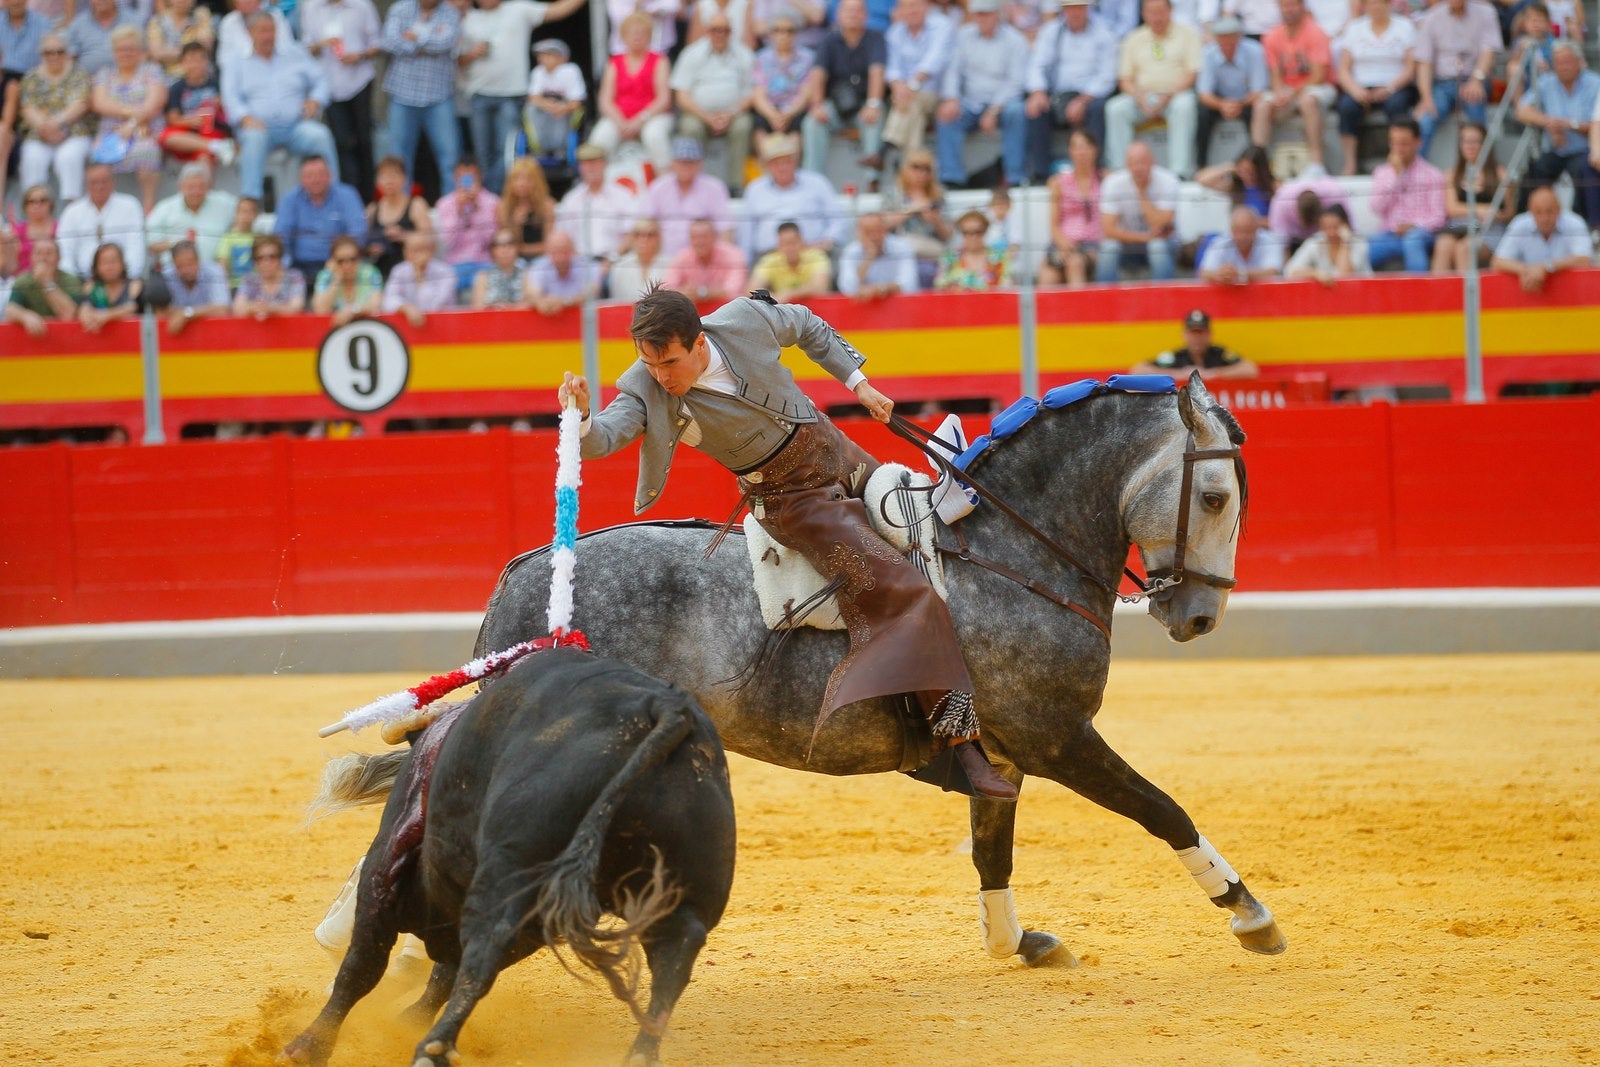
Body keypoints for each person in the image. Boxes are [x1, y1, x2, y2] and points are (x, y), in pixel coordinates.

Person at [556, 286, 1019, 800]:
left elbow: (807, 325)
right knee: (905, 591)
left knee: (928, 527)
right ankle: (958, 746)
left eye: (669, 361)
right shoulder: (645, 388)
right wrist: (580, 419)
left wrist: (859, 384)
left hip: (838, 451)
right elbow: (607, 436)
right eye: (649, 362)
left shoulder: (744, 320)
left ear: (699, 341)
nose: (661, 375)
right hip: (793, 502)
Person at [456, 0, 584, 193]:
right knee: (482, 154)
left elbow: (559, 9)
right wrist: (473, 53)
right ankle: (491, 201)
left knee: (506, 153)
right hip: (479, 96)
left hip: (510, 96)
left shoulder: (519, 10)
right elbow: (455, 61)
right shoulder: (466, 18)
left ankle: (496, 197)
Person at [222, 13, 339, 202]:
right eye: (263, 31)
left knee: (320, 136)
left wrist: (315, 100)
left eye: (271, 30)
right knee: (253, 141)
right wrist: (244, 117)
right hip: (259, 128)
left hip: (296, 126)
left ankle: (333, 198)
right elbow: (230, 97)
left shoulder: (295, 53)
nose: (268, 36)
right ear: (250, 33)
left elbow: (321, 81)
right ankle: (251, 204)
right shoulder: (235, 60)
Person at [933, 0, 1027, 189]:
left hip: (1003, 104)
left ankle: (1015, 177)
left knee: (1017, 112)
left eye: (986, 13)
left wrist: (994, 110)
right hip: (971, 103)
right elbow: (953, 72)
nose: (982, 18)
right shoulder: (963, 36)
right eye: (978, 14)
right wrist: (951, 98)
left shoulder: (1015, 40)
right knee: (946, 116)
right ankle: (952, 178)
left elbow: (1016, 82)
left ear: (997, 14)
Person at [1104, 0, 1202, 179]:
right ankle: (1120, 171)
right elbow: (1124, 79)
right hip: (1141, 97)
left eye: (1161, 12)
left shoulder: (1188, 34)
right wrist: (1139, 97)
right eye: (1152, 12)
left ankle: (1180, 171)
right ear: (1143, 14)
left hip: (1175, 95)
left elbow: (1192, 73)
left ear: (1171, 10)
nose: (1157, 17)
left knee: (1185, 106)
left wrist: (1169, 95)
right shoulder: (1133, 38)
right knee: (1115, 108)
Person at [1023, 0, 1116, 183]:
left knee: (1099, 108)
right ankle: (1042, 174)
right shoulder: (1051, 32)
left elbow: (1107, 76)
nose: (1075, 13)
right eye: (1070, 8)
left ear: (1087, 8)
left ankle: (1094, 169)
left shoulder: (1103, 32)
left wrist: (1083, 100)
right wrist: (1038, 92)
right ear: (1063, 10)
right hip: (1058, 95)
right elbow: (1037, 65)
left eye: (1079, 8)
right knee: (1034, 108)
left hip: (1090, 96)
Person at [300, 0, 381, 203]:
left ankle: (369, 199)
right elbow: (306, 47)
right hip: (329, 85)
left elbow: (378, 44)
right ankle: (350, 199)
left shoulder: (362, 5)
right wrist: (321, 44)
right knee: (342, 144)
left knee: (364, 140)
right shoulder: (311, 7)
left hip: (359, 80)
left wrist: (359, 55)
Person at [1515, 43, 1600, 232]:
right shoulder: (1547, 82)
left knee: (1585, 171)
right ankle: (1523, 222)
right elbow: (1522, 111)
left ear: (1579, 62)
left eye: (1568, 61)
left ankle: (1587, 227)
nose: (1564, 66)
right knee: (1534, 171)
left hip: (1584, 149)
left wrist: (1569, 125)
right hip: (1556, 149)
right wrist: (1549, 122)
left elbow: (1597, 123)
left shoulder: (1595, 83)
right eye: (1559, 62)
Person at [380, 0, 461, 195]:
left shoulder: (451, 13)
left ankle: (452, 214)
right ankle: (400, 212)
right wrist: (428, 40)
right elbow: (388, 41)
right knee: (398, 158)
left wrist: (413, 38)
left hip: (439, 95)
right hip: (402, 94)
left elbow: (446, 42)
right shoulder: (400, 9)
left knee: (450, 158)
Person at [671, 10, 756, 192]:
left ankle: (735, 185)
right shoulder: (691, 53)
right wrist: (707, 117)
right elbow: (682, 95)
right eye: (715, 30)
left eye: (724, 30)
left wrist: (730, 114)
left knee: (744, 125)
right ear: (707, 31)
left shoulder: (743, 54)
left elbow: (752, 93)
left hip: (733, 114)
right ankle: (695, 183)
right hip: (699, 114)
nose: (720, 34)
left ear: (731, 32)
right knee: (689, 127)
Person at [800, 0, 886, 176]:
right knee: (812, 123)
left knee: (874, 119)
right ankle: (814, 180)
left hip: (864, 105)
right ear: (838, 15)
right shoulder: (828, 40)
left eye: (857, 11)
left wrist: (873, 104)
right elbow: (818, 74)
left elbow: (877, 72)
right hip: (836, 105)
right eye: (848, 11)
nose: (853, 15)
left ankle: (872, 180)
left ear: (866, 15)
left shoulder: (876, 38)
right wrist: (817, 105)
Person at [1333, 0, 1417, 177]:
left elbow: (1411, 67)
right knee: (1346, 107)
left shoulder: (1404, 26)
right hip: (1362, 86)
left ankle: (1395, 157)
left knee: (1397, 106)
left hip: (1395, 86)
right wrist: (1355, 90)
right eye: (1371, 3)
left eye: (1380, 3)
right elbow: (1343, 69)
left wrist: (1389, 88)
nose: (1376, 7)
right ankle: (1350, 161)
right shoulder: (1355, 28)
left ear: (1389, 5)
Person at [90, 27, 166, 212]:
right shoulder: (105, 74)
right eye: (121, 49)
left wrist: (131, 124)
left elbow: (155, 102)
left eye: (131, 49)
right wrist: (131, 113)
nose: (126, 53)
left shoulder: (151, 70)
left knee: (147, 151)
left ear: (140, 51)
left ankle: (148, 210)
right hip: (111, 132)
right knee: (99, 157)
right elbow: (99, 103)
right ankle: (105, 210)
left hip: (144, 130)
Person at [1412, 0, 1501, 157]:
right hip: (1442, 84)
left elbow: (1488, 51)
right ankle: (1416, 172)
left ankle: (1484, 170)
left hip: (1474, 80)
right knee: (1424, 121)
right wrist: (1426, 97)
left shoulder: (1486, 12)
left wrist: (1476, 80)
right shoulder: (1432, 16)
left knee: (1477, 123)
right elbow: (1424, 62)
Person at [589, 11, 674, 172]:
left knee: (654, 136)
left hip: (652, 116)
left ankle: (665, 180)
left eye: (641, 33)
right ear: (623, 36)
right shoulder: (614, 62)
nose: (637, 37)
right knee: (600, 139)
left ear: (649, 36)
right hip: (620, 118)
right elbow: (605, 101)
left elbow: (664, 99)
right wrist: (621, 122)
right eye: (632, 33)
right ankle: (600, 183)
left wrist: (639, 121)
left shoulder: (660, 61)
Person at [1258, 0, 1334, 174]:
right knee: (1262, 104)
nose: (1288, 10)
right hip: (1288, 90)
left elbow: (1318, 76)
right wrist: (1278, 93)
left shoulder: (1316, 33)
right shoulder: (1271, 36)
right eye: (1284, 6)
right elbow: (1275, 75)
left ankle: (1316, 163)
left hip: (1317, 87)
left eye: (1292, 5)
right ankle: (1259, 163)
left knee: (1308, 100)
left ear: (1302, 7)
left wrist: (1291, 94)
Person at [738, 132, 837, 261]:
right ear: (766, 165)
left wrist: (826, 242)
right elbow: (746, 234)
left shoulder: (817, 183)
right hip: (769, 259)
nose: (782, 167)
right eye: (776, 163)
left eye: (787, 161)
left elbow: (838, 221)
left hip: (812, 255)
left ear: (796, 161)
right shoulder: (755, 189)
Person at [17, 33, 93, 201]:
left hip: (74, 133)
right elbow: (27, 107)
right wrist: (45, 127)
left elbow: (81, 103)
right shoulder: (31, 77)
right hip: (39, 133)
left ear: (66, 53)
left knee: (68, 157)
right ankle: (35, 207)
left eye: (59, 51)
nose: (55, 56)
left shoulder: (78, 74)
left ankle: (71, 206)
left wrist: (57, 123)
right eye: (49, 52)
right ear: (42, 55)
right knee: (32, 157)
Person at [1431, 121, 1513, 272]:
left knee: (1464, 248)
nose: (1470, 146)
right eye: (1465, 141)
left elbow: (1509, 212)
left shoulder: (1500, 174)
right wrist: (1481, 209)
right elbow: (1452, 208)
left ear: (1485, 143)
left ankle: (1468, 295)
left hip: (1488, 230)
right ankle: (1439, 294)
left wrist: (1495, 214)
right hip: (1458, 227)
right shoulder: (1452, 174)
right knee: (1443, 245)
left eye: (1475, 141)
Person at [1368, 117, 1445, 272]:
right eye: (1394, 143)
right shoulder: (1383, 173)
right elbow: (1376, 207)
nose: (1398, 148)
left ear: (1418, 142)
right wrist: (1395, 176)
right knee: (1363, 246)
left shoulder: (1433, 174)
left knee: (1413, 239)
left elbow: (1438, 217)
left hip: (1421, 235)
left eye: (1404, 143)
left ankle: (1419, 291)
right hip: (1390, 236)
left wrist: (1414, 225)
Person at [1096, 140, 1180, 282]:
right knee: (1108, 247)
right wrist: (1145, 238)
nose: (1138, 168)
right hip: (1127, 245)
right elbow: (1109, 230)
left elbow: (1159, 224)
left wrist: (1142, 193)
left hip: (1164, 245)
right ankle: (1105, 298)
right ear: (1126, 165)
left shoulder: (1169, 181)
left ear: (1153, 162)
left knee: (1157, 247)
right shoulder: (1112, 183)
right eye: (1133, 163)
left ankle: (1163, 297)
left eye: (1143, 162)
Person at [1195, 14, 1269, 172]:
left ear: (1239, 37)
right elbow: (1204, 94)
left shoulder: (1254, 50)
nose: (1227, 43)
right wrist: (1223, 105)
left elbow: (1258, 90)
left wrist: (1239, 104)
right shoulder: (1208, 53)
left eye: (1231, 38)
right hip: (1219, 102)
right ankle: (1201, 164)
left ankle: (1257, 165)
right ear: (1217, 39)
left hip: (1246, 101)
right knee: (1202, 114)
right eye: (1223, 39)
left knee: (1258, 111)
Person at [639, 136, 734, 258]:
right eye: (681, 162)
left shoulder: (714, 188)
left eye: (690, 162)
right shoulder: (659, 187)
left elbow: (725, 230)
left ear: (700, 164)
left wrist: (718, 261)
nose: (685, 167)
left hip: (702, 260)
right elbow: (644, 224)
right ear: (673, 163)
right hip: (663, 258)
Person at [882, 0, 954, 158]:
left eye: (915, 5)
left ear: (927, 6)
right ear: (899, 10)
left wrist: (909, 88)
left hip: (938, 96)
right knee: (913, 110)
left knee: (912, 101)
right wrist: (899, 89)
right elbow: (892, 68)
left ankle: (887, 146)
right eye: (906, 6)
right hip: (907, 98)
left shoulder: (942, 25)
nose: (911, 10)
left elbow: (933, 62)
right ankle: (913, 162)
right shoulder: (895, 31)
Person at [554, 141, 638, 274]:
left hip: (615, 263)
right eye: (585, 164)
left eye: (594, 162)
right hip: (578, 265)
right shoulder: (571, 199)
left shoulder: (622, 196)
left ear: (604, 164)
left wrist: (610, 260)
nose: (590, 168)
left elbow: (630, 235)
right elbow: (563, 236)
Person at [1491, 184, 1594, 293]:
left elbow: (1584, 260)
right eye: (1538, 212)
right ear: (1530, 211)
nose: (1545, 218)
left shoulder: (1574, 223)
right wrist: (1528, 271)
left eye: (1549, 211)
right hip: (1531, 298)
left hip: (1572, 294)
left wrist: (1546, 267)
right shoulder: (1519, 224)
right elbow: (1498, 262)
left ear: (1559, 209)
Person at [273, 153, 365, 274]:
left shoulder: (347, 195)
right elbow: (281, 236)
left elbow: (358, 232)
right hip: (299, 266)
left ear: (330, 175)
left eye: (320, 174)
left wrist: (340, 259)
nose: (315, 180)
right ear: (301, 179)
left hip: (340, 264)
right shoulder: (289, 200)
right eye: (309, 176)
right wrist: (284, 266)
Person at [56, 160, 144, 279]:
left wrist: (127, 278)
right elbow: (64, 251)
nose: (99, 187)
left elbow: (135, 248)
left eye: (104, 181)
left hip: (122, 279)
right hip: (83, 279)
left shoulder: (130, 205)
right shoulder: (72, 211)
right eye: (94, 182)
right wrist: (73, 282)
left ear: (113, 181)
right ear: (86, 184)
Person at [1037, 127, 1101, 285]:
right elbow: (1053, 224)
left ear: (1095, 150)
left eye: (1086, 146)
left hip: (1092, 244)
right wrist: (1065, 244)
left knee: (1075, 263)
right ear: (1070, 151)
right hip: (1062, 243)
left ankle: (1079, 309)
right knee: (1048, 274)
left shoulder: (1105, 179)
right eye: (1076, 147)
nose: (1082, 152)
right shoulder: (1058, 182)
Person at [879, 146, 950, 286]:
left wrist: (935, 221)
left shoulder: (937, 195)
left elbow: (947, 235)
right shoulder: (893, 193)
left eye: (926, 168)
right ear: (905, 168)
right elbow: (883, 224)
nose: (921, 173)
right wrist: (911, 210)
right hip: (899, 251)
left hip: (929, 251)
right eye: (916, 167)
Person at [748, 8, 813, 161]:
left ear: (796, 33)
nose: (784, 35)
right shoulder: (761, 58)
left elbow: (806, 92)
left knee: (799, 125)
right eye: (778, 30)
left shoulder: (807, 58)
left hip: (794, 109)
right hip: (769, 108)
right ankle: (768, 173)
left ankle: (790, 172)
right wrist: (773, 115)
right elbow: (758, 92)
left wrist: (787, 114)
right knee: (758, 125)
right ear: (771, 34)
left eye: (789, 31)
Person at [159, 42, 235, 169]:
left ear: (207, 62)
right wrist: (189, 121)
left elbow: (230, 113)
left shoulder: (216, 85)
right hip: (187, 134)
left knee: (204, 158)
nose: (195, 65)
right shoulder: (177, 88)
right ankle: (216, 146)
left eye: (200, 60)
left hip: (212, 130)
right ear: (182, 63)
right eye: (190, 61)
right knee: (167, 137)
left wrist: (221, 104)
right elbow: (173, 119)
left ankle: (213, 146)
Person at [147, 159, 237, 266]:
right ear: (180, 187)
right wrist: (176, 244)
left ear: (209, 187)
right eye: (191, 187)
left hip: (215, 270)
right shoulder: (165, 208)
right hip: (173, 271)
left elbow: (251, 214)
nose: (196, 192)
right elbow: (150, 243)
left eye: (201, 187)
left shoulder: (224, 203)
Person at [1130, 308, 1259, 379]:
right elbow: (1138, 371)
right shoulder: (1174, 357)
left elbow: (1250, 369)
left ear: (1209, 334)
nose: (1197, 337)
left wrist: (1213, 374)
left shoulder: (1219, 354)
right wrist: (1180, 375)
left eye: (1201, 332)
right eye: (1193, 332)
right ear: (1184, 334)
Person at [434, 158, 500, 291]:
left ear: (480, 177)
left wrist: (477, 208)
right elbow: (448, 243)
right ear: (455, 178)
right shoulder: (444, 204)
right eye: (462, 177)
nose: (467, 182)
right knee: (442, 283)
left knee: (490, 280)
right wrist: (458, 212)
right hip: (454, 266)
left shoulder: (493, 202)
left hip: (484, 264)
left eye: (471, 177)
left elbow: (490, 241)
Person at [365, 154, 432, 277]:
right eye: (384, 176)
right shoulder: (372, 209)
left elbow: (430, 241)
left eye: (394, 175)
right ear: (377, 182)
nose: (389, 181)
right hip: (380, 272)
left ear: (404, 179)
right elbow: (362, 241)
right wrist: (371, 249)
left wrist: (404, 236)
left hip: (412, 270)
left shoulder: (416, 204)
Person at [3, 236, 82, 335]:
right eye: (38, 253)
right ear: (31, 258)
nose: (43, 258)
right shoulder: (23, 281)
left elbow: (71, 314)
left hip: (67, 337)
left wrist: (47, 283)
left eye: (49, 253)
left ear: (59, 258)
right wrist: (26, 316)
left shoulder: (70, 281)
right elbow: (10, 310)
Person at [524, 36, 585, 159]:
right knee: (530, 109)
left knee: (567, 114)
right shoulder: (538, 72)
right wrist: (550, 106)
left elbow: (577, 101)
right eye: (541, 55)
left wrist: (562, 108)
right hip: (545, 111)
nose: (542, 59)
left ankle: (561, 150)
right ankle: (539, 148)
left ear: (562, 57)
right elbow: (533, 98)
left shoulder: (571, 71)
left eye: (548, 55)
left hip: (565, 112)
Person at [662, 215, 748, 302]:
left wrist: (701, 292)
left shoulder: (733, 255)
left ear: (714, 237)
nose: (699, 242)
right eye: (695, 237)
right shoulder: (682, 256)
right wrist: (687, 292)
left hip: (725, 310)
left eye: (704, 236)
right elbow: (666, 288)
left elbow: (734, 290)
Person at [380, 230, 455, 325]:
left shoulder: (445, 271)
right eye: (414, 250)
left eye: (422, 249)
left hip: (442, 325)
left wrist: (420, 275)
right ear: (405, 252)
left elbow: (436, 305)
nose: (418, 254)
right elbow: (388, 300)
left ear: (432, 250)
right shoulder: (399, 271)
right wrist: (406, 308)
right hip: (406, 327)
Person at [1285, 202, 1372, 283]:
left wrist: (1345, 243)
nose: (1331, 233)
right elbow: (1290, 271)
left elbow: (1343, 275)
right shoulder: (1316, 242)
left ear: (1345, 225)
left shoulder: (1359, 243)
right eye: (1326, 227)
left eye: (1336, 227)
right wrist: (1315, 273)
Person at [746, 218, 831, 301]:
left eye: (793, 242)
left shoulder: (817, 256)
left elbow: (820, 288)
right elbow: (750, 291)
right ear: (778, 245)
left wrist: (789, 294)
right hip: (781, 311)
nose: (790, 248)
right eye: (785, 244)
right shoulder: (769, 260)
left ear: (802, 242)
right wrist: (772, 297)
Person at [1198, 204, 1284, 283]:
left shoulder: (1270, 241)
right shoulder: (1220, 243)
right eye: (1238, 231)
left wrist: (1240, 274)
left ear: (1257, 228)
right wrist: (1219, 275)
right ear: (1231, 229)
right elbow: (1203, 273)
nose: (1243, 236)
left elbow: (1273, 272)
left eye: (1248, 231)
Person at [161, 237, 231, 332]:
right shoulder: (166, 275)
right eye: (180, 266)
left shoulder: (214, 272)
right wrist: (202, 311)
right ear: (173, 264)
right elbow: (162, 312)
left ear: (198, 260)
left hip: (214, 333)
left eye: (190, 264)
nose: (186, 270)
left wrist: (187, 313)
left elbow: (222, 309)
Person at [311, 233, 383, 322]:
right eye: (340, 261)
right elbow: (320, 310)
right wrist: (336, 279)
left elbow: (375, 304)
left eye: (352, 259)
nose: (347, 265)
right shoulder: (325, 276)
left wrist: (353, 311)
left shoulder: (370, 272)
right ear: (332, 261)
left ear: (359, 258)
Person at [934, 208, 1011, 290]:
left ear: (985, 231)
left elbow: (1006, 286)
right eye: (967, 232)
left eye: (978, 232)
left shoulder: (999, 257)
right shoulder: (949, 257)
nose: (973, 237)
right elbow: (939, 286)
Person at [526, 229, 599, 314]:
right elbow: (532, 293)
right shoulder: (540, 266)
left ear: (573, 250)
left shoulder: (587, 266)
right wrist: (541, 302)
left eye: (565, 251)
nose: (560, 257)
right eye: (555, 252)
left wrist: (564, 301)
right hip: (550, 321)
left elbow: (592, 292)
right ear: (547, 252)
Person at [233, 232, 307, 317]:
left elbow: (296, 307)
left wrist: (270, 308)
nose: (266, 262)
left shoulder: (294, 277)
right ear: (254, 261)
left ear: (280, 258)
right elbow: (237, 308)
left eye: (272, 257)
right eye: (260, 258)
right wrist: (254, 308)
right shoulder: (249, 279)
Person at [497, 155, 555, 261]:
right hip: (513, 262)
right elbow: (506, 246)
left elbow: (550, 245)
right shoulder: (504, 206)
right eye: (517, 179)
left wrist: (522, 249)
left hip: (542, 259)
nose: (522, 184)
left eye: (528, 179)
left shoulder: (547, 205)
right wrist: (516, 225)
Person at [76, 239, 140, 333]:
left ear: (123, 264)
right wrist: (88, 317)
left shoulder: (134, 285)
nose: (109, 267)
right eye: (104, 262)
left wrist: (106, 315)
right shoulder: (91, 286)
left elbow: (131, 308)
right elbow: (84, 309)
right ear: (96, 267)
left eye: (114, 261)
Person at [64, 0, 136, 79]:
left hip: (128, 82)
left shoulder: (133, 20)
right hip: (87, 83)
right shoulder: (78, 24)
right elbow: (69, 59)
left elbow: (144, 55)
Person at [145, 0, 215, 78]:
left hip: (199, 75)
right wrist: (190, 51)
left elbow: (205, 46)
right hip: (168, 77)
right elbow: (157, 54)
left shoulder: (201, 15)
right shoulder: (157, 20)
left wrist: (170, 53)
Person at [606, 216, 670, 299]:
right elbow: (616, 301)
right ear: (632, 238)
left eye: (650, 235)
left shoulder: (671, 264)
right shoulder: (620, 266)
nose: (643, 239)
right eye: (638, 234)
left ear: (659, 238)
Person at [469, 227, 531, 307]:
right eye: (500, 245)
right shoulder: (483, 276)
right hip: (491, 318)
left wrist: (508, 308)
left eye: (510, 244)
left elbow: (530, 303)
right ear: (493, 250)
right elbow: (477, 307)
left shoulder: (527, 274)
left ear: (517, 248)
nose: (505, 249)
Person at [215, 194, 260, 287]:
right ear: (236, 214)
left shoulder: (259, 238)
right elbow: (222, 266)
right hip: (234, 287)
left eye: (250, 212)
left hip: (255, 288)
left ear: (256, 215)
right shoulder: (227, 238)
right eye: (243, 211)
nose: (246, 216)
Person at [12, 185, 58, 271]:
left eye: (42, 200)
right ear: (25, 206)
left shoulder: (60, 228)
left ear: (51, 204)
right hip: (23, 278)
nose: (37, 205)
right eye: (31, 201)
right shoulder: (16, 231)